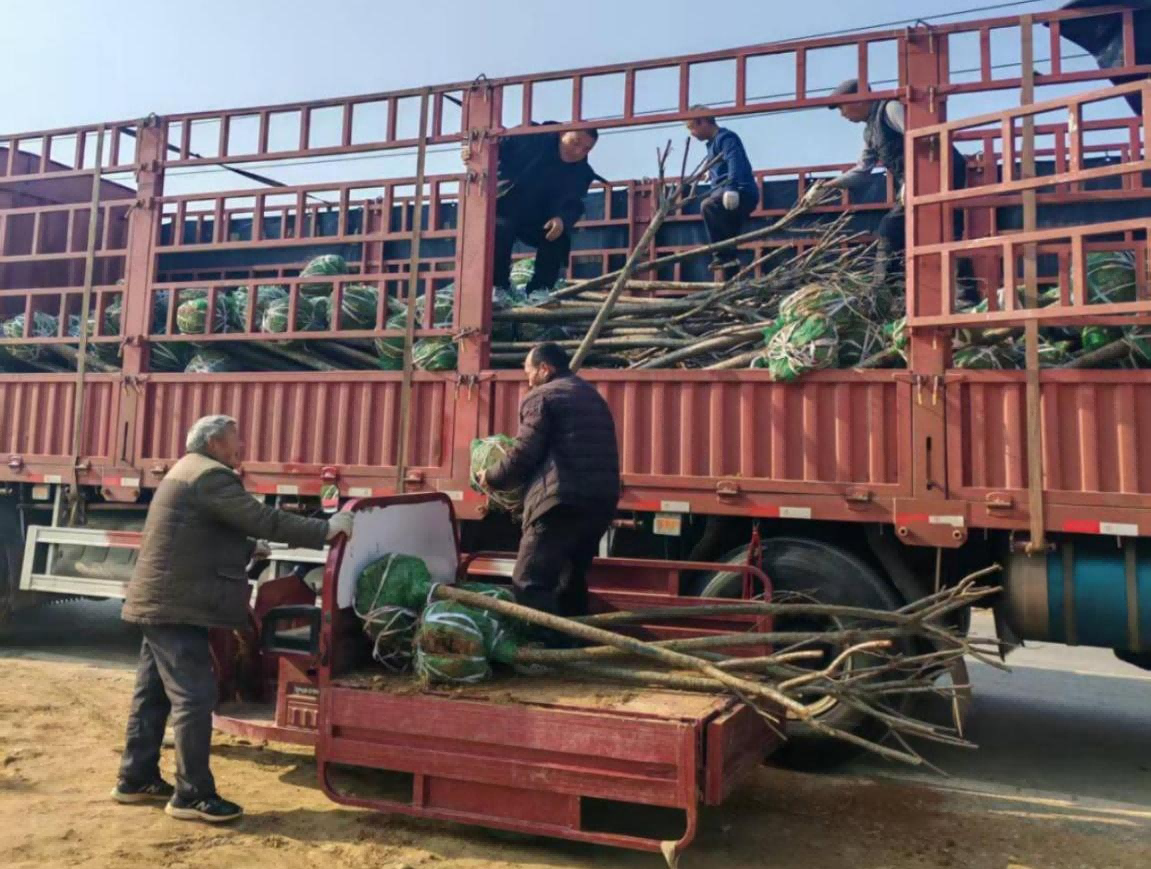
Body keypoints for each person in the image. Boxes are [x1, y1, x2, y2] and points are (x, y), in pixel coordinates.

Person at [112, 414, 353, 823]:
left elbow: (196, 535)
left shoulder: (185, 472)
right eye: (235, 440)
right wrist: (325, 530)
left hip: (162, 601)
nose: (240, 448)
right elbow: (264, 518)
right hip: (177, 605)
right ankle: (192, 796)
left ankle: (135, 778)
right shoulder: (211, 477)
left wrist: (245, 548)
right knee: (194, 697)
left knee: (152, 694)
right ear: (214, 444)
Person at [478, 343, 620, 621]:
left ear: (545, 369)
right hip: (600, 502)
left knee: (528, 582)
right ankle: (573, 647)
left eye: (529, 372)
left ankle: (544, 651)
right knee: (571, 579)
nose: (527, 380)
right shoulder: (591, 395)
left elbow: (524, 453)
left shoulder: (542, 397)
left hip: (560, 503)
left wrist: (491, 477)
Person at [805, 78, 969, 295]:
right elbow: (862, 171)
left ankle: (884, 293)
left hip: (940, 172)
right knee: (908, 232)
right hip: (917, 182)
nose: (842, 115)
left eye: (842, 108)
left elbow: (920, 136)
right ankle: (900, 292)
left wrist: (912, 179)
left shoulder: (890, 109)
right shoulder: (870, 131)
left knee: (912, 229)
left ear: (858, 101)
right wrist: (827, 186)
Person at [490, 123, 599, 292]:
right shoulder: (533, 136)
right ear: (562, 133)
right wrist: (471, 150)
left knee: (558, 236)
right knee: (499, 229)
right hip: (506, 204)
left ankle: (540, 291)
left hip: (539, 218)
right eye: (575, 142)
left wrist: (562, 219)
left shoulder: (582, 172)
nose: (578, 152)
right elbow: (495, 143)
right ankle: (498, 288)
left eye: (586, 149)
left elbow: (574, 204)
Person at [686, 109, 760, 279]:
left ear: (702, 121)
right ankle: (730, 267)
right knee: (728, 238)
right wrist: (712, 174)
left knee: (709, 206)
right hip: (727, 193)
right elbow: (724, 164)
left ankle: (721, 256)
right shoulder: (712, 144)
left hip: (741, 192)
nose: (692, 133)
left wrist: (732, 188)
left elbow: (735, 160)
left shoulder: (726, 138)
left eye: (692, 128)